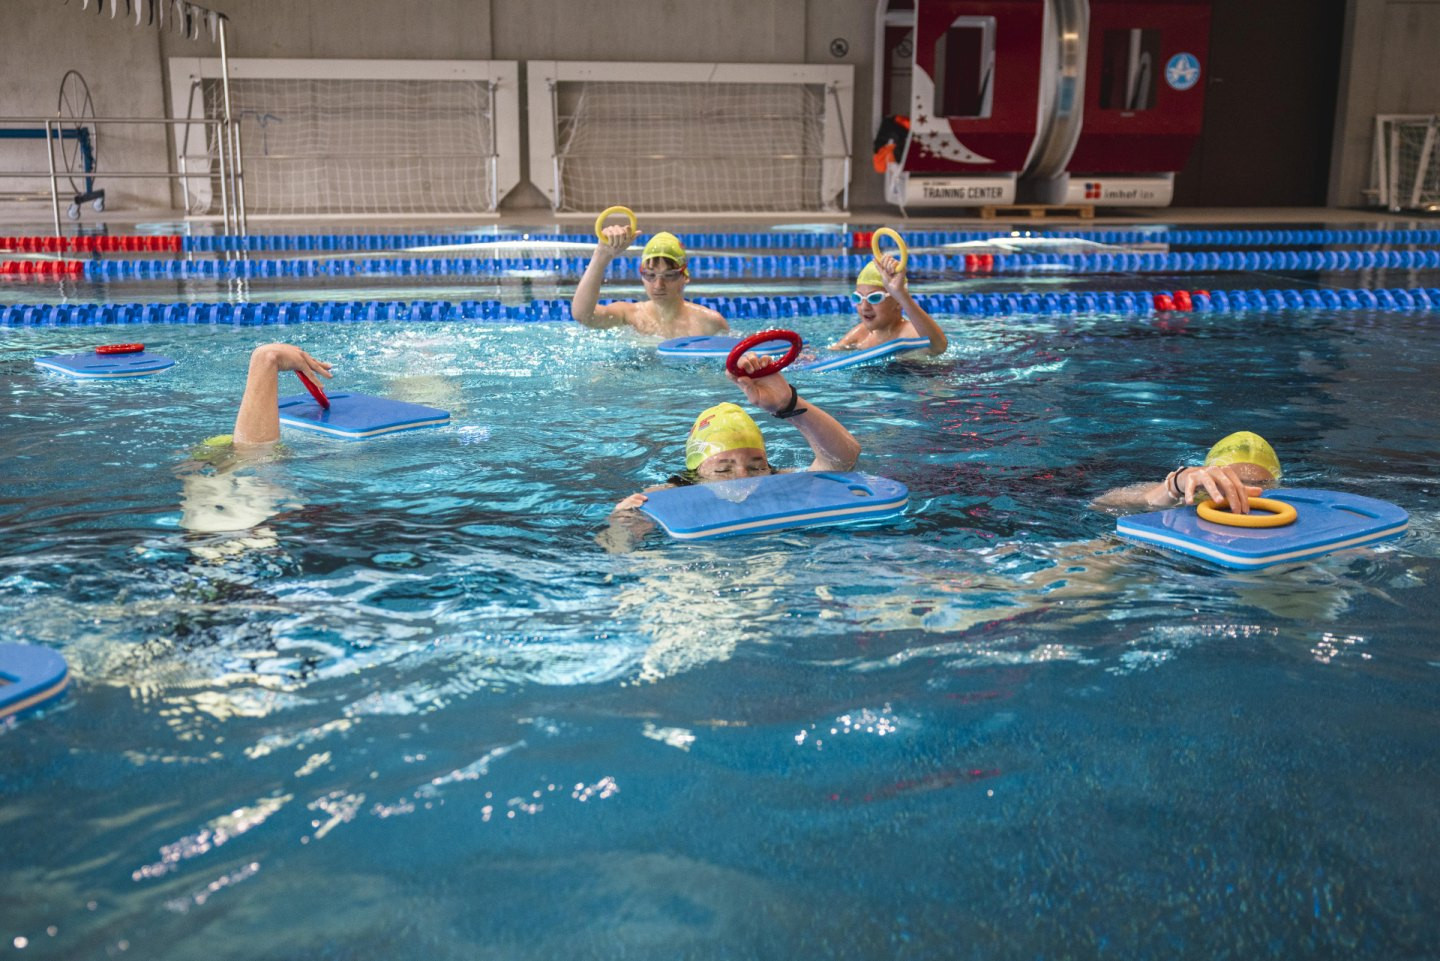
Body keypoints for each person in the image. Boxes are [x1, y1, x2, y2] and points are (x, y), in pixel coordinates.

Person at [600, 351, 860, 551]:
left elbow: (841, 461)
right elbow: (615, 551)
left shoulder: (780, 481)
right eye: (723, 468)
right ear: (697, 470)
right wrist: (623, 523)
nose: (743, 479)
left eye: (757, 466)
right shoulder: (668, 496)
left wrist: (788, 404)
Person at [570, 228, 728, 337]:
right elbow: (583, 316)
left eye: (669, 275)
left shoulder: (709, 323)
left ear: (685, 277)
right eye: (650, 275)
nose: (659, 285)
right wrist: (601, 255)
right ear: (641, 275)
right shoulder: (628, 316)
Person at [1091, 430, 1283, 514]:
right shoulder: (1184, 496)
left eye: (1261, 486)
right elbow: (1100, 504)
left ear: (1278, 485)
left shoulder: (1289, 505)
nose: (1240, 491)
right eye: (1229, 481)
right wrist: (1175, 485)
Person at [828, 255, 947, 356]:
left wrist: (902, 295)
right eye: (858, 298)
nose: (864, 307)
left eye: (874, 298)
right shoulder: (861, 334)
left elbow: (938, 347)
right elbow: (830, 354)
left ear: (898, 302)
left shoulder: (908, 333)